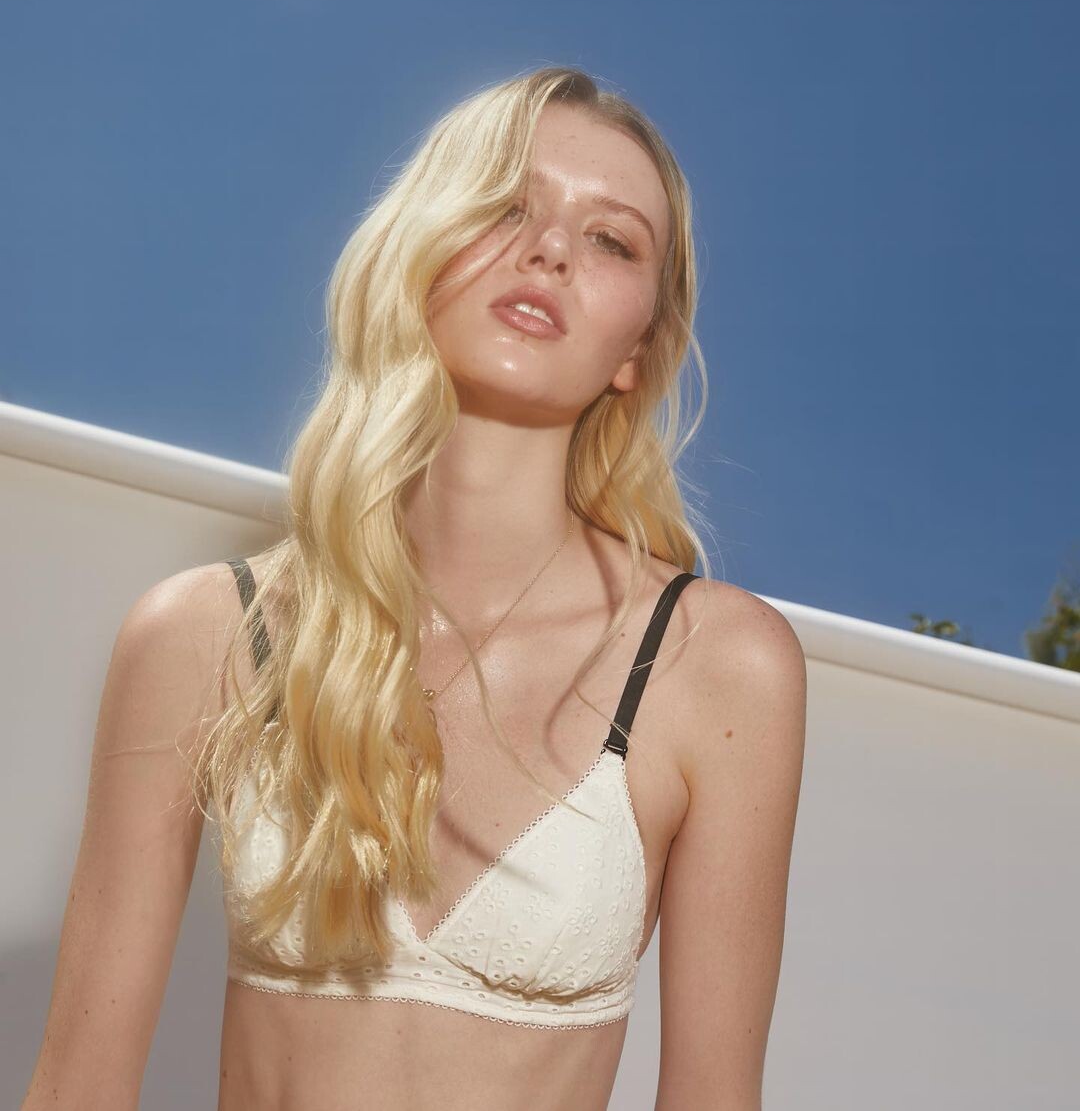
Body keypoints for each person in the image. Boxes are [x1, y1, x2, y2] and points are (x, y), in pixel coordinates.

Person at [22, 66, 807, 1111]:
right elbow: (76, 1088)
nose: (551, 250)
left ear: (639, 348)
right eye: (507, 205)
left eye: (611, 240)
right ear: (423, 246)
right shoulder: (205, 633)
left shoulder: (716, 667)